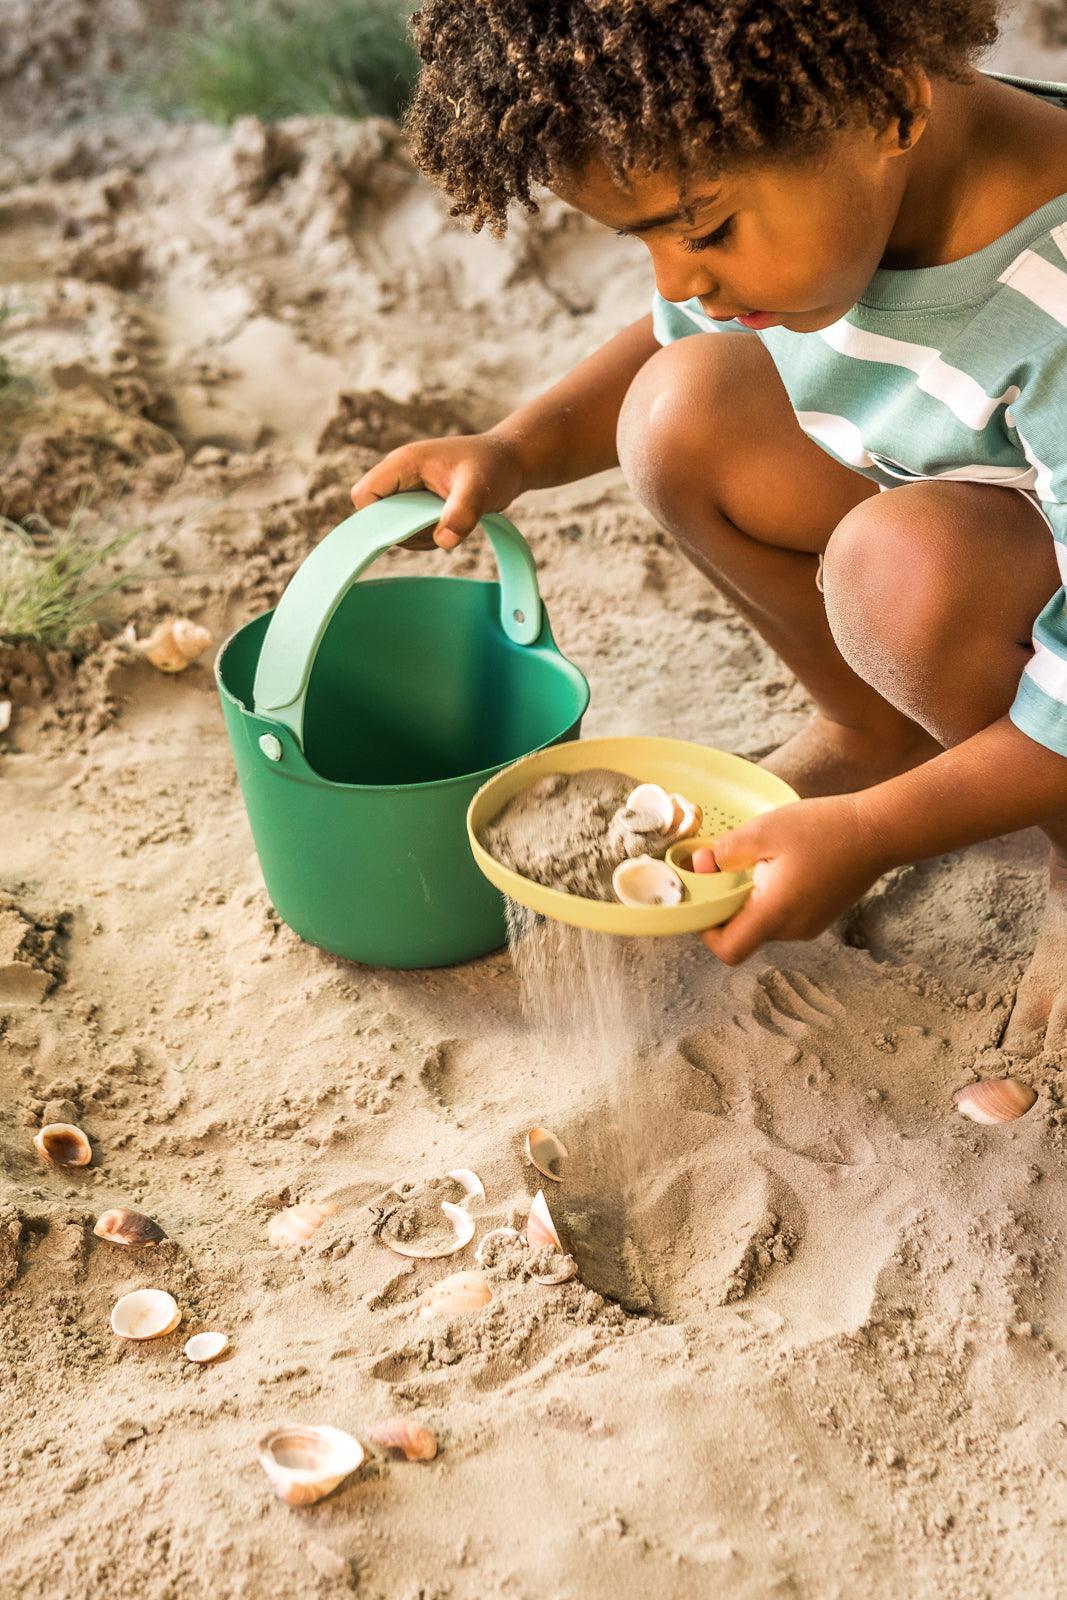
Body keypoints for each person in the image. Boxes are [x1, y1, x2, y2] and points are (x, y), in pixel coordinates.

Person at [350, 0, 1067, 1054]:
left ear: (890, 106)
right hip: (985, 514)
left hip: (996, 589)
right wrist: (515, 449)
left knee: (899, 570)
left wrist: (869, 836)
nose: (677, 279)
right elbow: (668, 338)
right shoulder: (818, 162)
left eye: (706, 231)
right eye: (643, 239)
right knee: (679, 410)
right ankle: (872, 731)